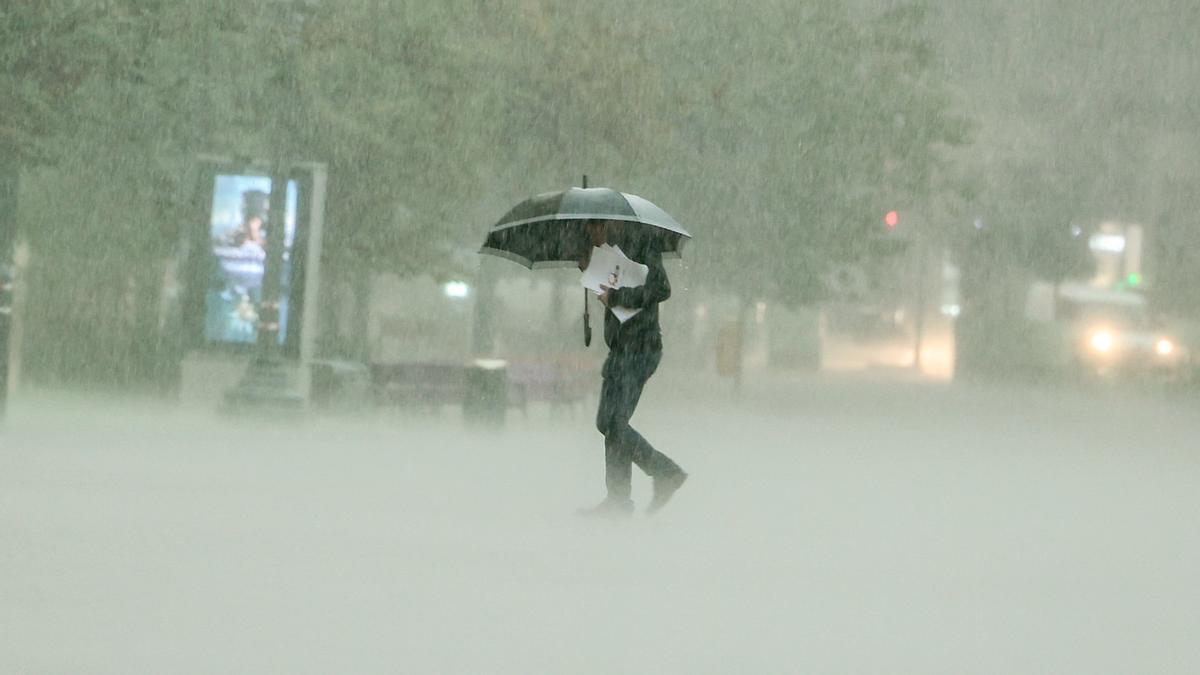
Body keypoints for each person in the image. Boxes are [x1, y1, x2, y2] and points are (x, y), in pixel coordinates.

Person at [578, 219, 687, 518]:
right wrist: (591, 273)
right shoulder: (606, 254)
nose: (591, 235)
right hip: (621, 349)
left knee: (615, 423)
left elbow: (661, 289)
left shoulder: (642, 245)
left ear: (609, 223)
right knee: (607, 422)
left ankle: (660, 474)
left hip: (641, 349)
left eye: (593, 228)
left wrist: (616, 297)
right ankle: (622, 497)